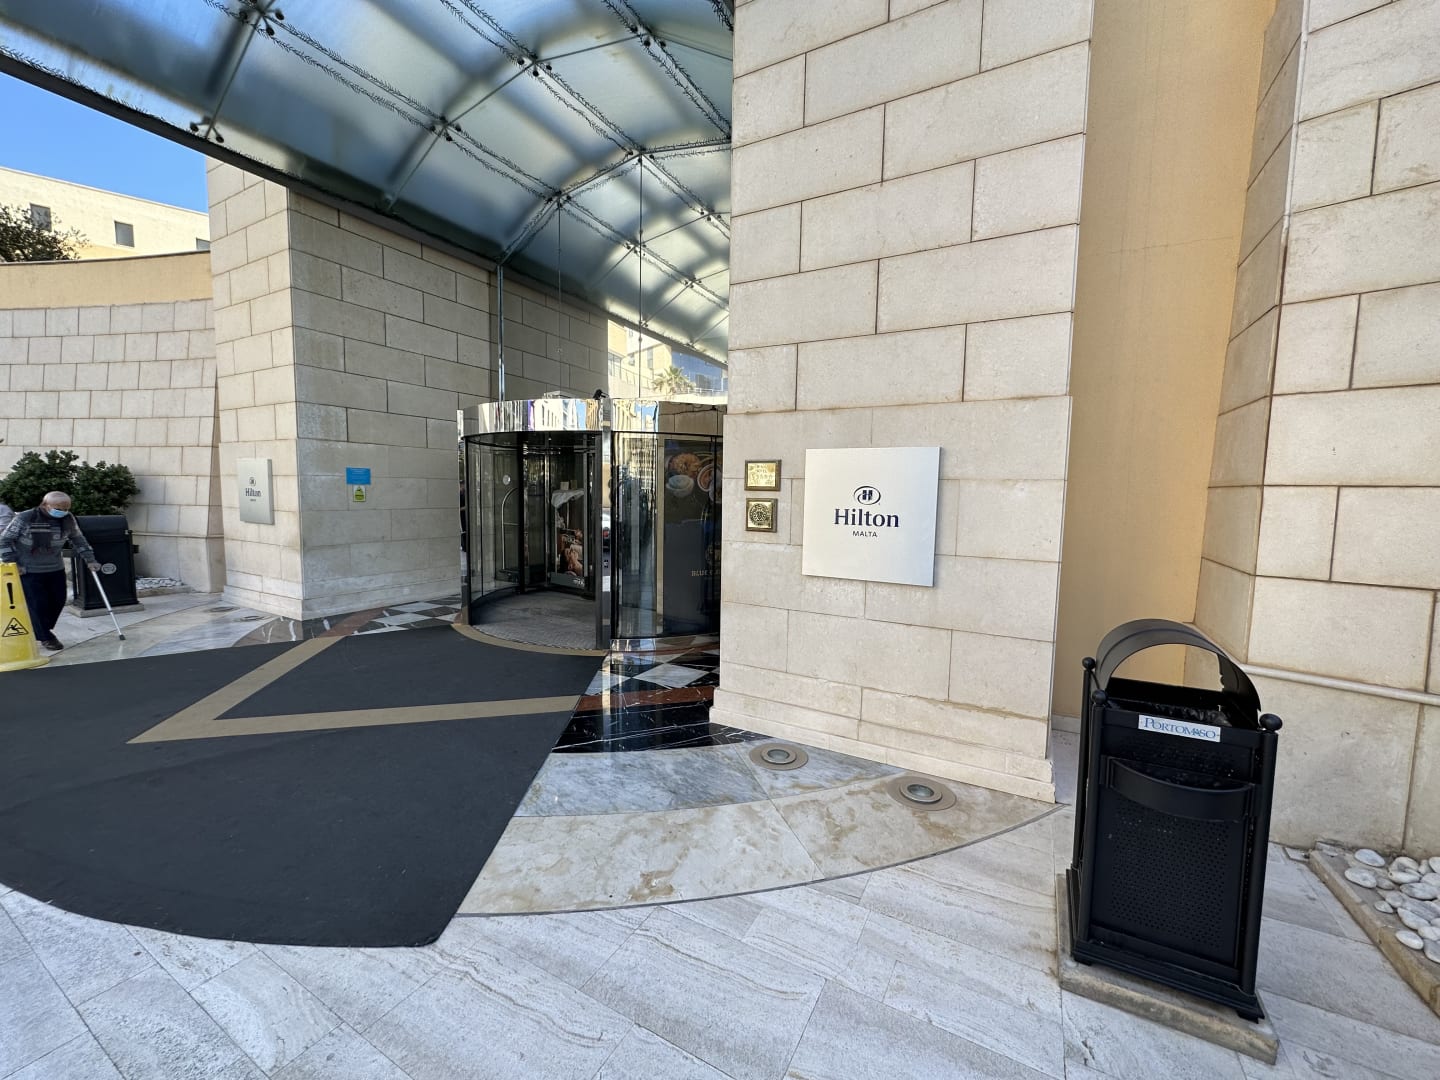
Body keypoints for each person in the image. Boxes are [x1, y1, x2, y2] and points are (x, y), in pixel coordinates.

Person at [0, 491, 100, 651]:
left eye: (66, 508)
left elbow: (78, 539)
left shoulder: (68, 519)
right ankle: (46, 637)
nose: (63, 511)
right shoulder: (26, 517)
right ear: (45, 505)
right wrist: (12, 562)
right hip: (28, 569)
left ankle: (39, 628)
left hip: (54, 567)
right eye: (58, 508)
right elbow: (5, 539)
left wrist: (90, 559)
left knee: (58, 601)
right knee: (37, 604)